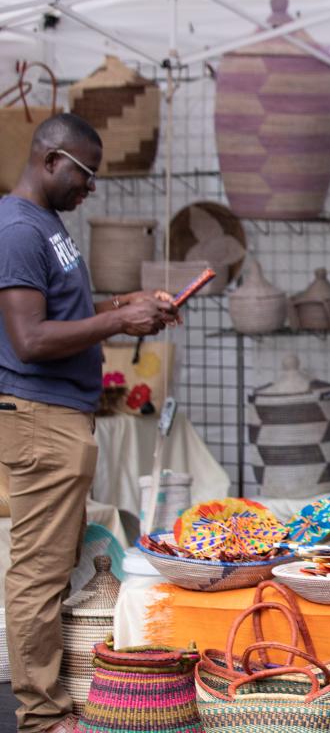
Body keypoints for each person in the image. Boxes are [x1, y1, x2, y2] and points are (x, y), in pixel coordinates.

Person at [0, 113, 178, 733]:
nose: (91, 188)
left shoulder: (47, 226)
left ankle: (51, 702)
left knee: (50, 566)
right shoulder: (19, 229)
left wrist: (121, 307)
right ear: (50, 160)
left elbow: (62, 312)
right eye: (84, 174)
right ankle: (43, 718)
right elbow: (28, 338)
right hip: (41, 418)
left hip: (60, 418)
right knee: (38, 573)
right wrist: (116, 324)